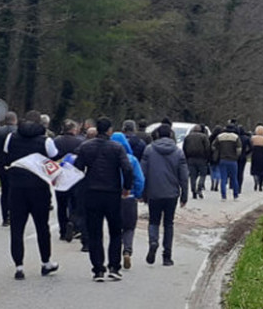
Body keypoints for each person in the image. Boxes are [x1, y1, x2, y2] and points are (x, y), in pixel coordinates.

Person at [74, 117, 133, 282]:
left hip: (92, 192)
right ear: (109, 131)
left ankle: (98, 269)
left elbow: (77, 168)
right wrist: (126, 187)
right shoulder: (117, 147)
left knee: (94, 232)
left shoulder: (86, 147)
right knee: (115, 231)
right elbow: (127, 168)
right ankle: (114, 266)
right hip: (112, 193)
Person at [3, 110, 59, 280]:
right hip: (39, 188)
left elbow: (6, 155)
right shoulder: (46, 141)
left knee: (17, 228)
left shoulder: (11, 137)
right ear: (40, 124)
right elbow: (54, 157)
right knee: (42, 227)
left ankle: (19, 267)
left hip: (17, 188)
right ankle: (45, 263)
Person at [140, 122, 188, 266]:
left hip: (154, 191)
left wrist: (142, 192)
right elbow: (184, 176)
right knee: (168, 223)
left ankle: (153, 241)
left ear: (157, 134)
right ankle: (167, 256)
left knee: (153, 221)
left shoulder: (149, 150)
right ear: (171, 135)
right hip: (171, 193)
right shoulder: (178, 152)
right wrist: (184, 194)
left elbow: (143, 172)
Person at [110, 132, 144, 270]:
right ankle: (127, 250)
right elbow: (139, 179)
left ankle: (115, 256)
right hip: (129, 197)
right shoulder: (132, 159)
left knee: (115, 228)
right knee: (129, 227)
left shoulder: (108, 158)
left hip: (112, 196)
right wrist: (138, 194)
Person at [53, 119, 83, 242]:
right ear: (74, 130)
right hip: (74, 177)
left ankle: (62, 230)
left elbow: (51, 157)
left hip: (60, 176)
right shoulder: (80, 142)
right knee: (76, 203)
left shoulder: (56, 141)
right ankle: (74, 223)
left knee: (61, 205)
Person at [211, 123, 243, 200]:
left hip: (223, 159)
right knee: (234, 178)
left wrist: (218, 152)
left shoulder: (220, 136)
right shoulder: (236, 137)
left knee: (223, 178)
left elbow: (213, 146)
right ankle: (235, 195)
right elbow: (239, 149)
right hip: (233, 160)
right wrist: (236, 156)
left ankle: (223, 196)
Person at [183, 124, 212, 199]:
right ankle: (200, 187)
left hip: (191, 159)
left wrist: (186, 158)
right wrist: (208, 158)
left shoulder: (188, 137)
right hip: (202, 159)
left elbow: (184, 148)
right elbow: (207, 148)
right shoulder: (204, 137)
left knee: (193, 176)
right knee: (203, 174)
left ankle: (193, 190)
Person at [250, 126, 263, 191]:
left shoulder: (253, 138)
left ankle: (256, 182)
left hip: (255, 155)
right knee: (262, 171)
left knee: (255, 170)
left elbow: (251, 146)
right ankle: (260, 185)